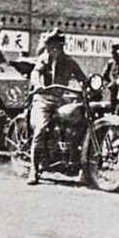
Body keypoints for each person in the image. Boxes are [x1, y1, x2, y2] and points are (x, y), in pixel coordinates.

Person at [28, 28, 86, 185]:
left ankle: (78, 164)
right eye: (52, 46)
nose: (55, 49)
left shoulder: (70, 62)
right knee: (40, 128)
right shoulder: (43, 60)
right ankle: (33, 169)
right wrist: (39, 85)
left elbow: (82, 78)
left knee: (78, 123)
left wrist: (89, 87)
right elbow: (36, 73)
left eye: (58, 46)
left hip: (59, 101)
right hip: (43, 100)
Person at [102, 44, 119, 111]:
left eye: (115, 53)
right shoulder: (110, 63)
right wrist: (108, 84)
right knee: (113, 107)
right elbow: (104, 75)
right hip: (114, 89)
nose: (113, 55)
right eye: (112, 53)